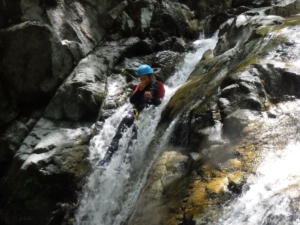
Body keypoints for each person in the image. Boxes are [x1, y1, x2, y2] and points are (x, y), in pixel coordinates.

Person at [97, 64, 165, 167]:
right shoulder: (139, 86)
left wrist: (151, 98)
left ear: (150, 76)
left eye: (145, 78)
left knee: (135, 134)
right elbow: (132, 100)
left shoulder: (159, 85)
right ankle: (107, 158)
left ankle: (124, 164)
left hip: (148, 112)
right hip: (137, 110)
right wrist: (140, 90)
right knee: (121, 128)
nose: (143, 80)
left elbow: (160, 103)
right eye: (141, 78)